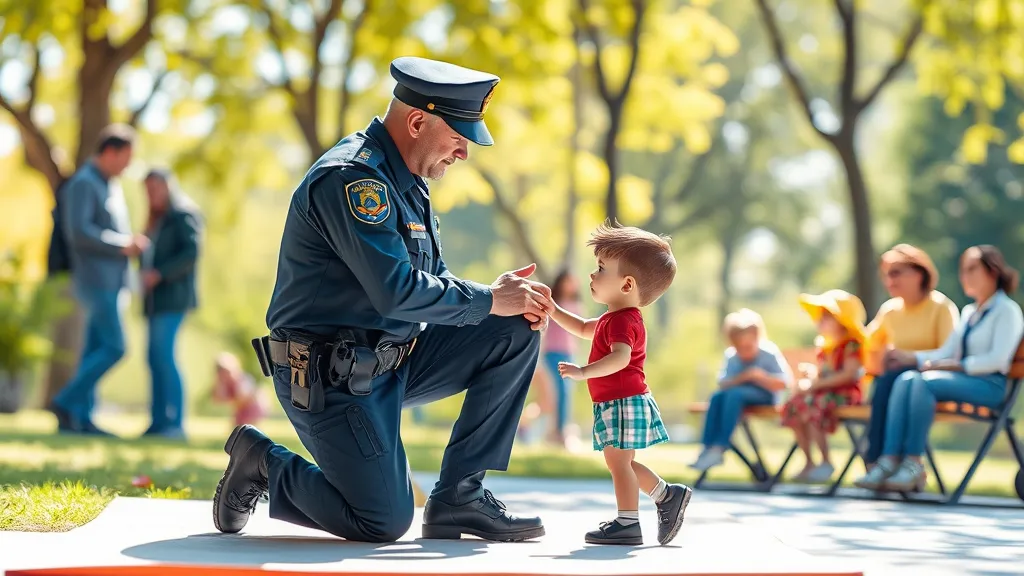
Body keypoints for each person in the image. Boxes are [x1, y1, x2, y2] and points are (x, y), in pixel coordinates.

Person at [212, 57, 553, 544]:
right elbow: (396, 292)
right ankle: (263, 463)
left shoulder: (409, 181)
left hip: (392, 363)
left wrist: (498, 299)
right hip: (328, 377)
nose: (464, 152)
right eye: (459, 137)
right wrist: (488, 298)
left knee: (514, 327)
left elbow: (431, 279)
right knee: (382, 521)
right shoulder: (352, 180)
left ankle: (460, 497)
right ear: (416, 123)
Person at [546, 221, 692, 546]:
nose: (592, 274)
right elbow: (583, 327)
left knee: (619, 462)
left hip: (623, 400)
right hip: (617, 401)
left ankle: (629, 521)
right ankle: (666, 495)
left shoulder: (624, 321)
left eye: (601, 268)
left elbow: (621, 358)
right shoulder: (612, 318)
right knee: (620, 461)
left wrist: (583, 372)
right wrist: (554, 310)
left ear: (627, 285)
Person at [854, 245, 1024, 492]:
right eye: (963, 270)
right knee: (906, 378)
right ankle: (889, 459)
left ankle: (913, 462)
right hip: (966, 381)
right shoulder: (970, 313)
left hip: (991, 386)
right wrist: (912, 359)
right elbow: (945, 352)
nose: (965, 276)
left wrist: (957, 365)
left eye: (972, 269)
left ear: (993, 271)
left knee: (922, 383)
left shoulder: (1007, 311)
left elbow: (998, 360)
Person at [50, 123, 149, 436]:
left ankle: (80, 419)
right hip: (95, 281)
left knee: (93, 350)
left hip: (113, 281)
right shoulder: (83, 183)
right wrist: (123, 245)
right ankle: (65, 401)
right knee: (115, 347)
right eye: (126, 159)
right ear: (109, 152)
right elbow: (78, 233)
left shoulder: (110, 185)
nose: (128, 166)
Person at [859, 244, 959, 469]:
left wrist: (911, 358)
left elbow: (950, 353)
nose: (889, 280)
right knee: (887, 380)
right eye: (886, 275)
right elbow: (867, 346)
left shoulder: (940, 307)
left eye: (895, 273)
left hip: (930, 383)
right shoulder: (890, 310)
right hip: (893, 381)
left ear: (918, 273)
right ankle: (881, 462)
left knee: (893, 380)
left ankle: (879, 461)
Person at [139, 169, 203, 439]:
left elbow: (191, 252)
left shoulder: (183, 213)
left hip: (173, 298)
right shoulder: (157, 218)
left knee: (164, 357)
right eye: (147, 189)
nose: (151, 194)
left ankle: (175, 423)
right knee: (153, 358)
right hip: (155, 300)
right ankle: (158, 422)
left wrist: (160, 274)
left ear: (167, 186)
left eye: (155, 188)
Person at [689, 308, 792, 473]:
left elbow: (784, 383)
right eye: (740, 348)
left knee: (734, 395)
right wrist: (743, 377)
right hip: (735, 398)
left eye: (748, 347)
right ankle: (707, 447)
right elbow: (723, 383)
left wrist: (761, 377)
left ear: (757, 338)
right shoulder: (732, 356)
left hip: (764, 396)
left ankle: (720, 446)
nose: (744, 352)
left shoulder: (768, 353)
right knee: (716, 397)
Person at [779, 290, 866, 483]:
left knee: (813, 403)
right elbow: (823, 374)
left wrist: (814, 384)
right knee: (795, 403)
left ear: (842, 320)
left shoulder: (851, 345)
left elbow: (848, 374)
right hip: (824, 392)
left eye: (827, 317)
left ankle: (826, 461)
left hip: (845, 394)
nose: (820, 321)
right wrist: (811, 376)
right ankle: (809, 461)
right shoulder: (826, 347)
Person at [540, 269, 582, 445]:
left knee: (566, 393)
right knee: (559, 392)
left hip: (569, 354)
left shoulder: (576, 305)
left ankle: (560, 429)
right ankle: (557, 431)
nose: (571, 285)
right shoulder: (554, 305)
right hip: (553, 353)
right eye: (568, 281)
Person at [211, 352, 270, 427]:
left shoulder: (242, 380)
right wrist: (220, 383)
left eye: (227, 372)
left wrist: (231, 399)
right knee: (237, 427)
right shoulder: (224, 383)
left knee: (245, 427)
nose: (225, 375)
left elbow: (243, 399)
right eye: (220, 372)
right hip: (242, 410)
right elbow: (217, 398)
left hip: (254, 407)